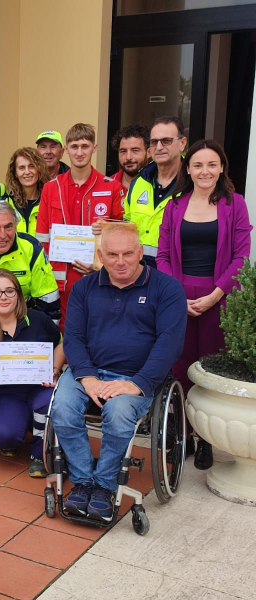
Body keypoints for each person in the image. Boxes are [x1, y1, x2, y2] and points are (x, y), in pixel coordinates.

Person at [52, 224, 186, 523]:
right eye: (112, 255)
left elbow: (170, 342)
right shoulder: (84, 288)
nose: (121, 261)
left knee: (120, 413)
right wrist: (87, 378)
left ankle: (104, 486)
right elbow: (73, 337)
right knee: (61, 407)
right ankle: (84, 480)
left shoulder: (167, 289)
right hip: (87, 371)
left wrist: (137, 383)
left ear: (141, 253)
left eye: (128, 253)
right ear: (100, 255)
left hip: (136, 375)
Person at [157, 139, 252, 470]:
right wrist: (176, 296)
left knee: (208, 370)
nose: (205, 171)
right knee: (180, 368)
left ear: (222, 167)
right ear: (188, 168)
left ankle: (206, 439)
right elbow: (165, 255)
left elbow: (241, 256)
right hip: (178, 298)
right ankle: (183, 435)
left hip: (218, 298)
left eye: (212, 164)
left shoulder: (234, 204)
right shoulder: (175, 205)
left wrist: (215, 294)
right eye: (198, 165)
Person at [0, 269, 64, 477]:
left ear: (18, 295)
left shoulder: (37, 319)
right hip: (4, 393)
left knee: (48, 404)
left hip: (39, 388)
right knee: (4, 435)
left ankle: (39, 453)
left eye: (9, 291)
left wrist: (54, 370)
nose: (4, 297)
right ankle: (18, 427)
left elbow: (61, 344)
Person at [36, 123, 126, 330]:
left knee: (97, 331)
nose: (79, 152)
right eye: (74, 146)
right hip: (59, 282)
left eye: (85, 146)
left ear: (94, 148)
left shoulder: (111, 187)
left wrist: (99, 264)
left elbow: (122, 237)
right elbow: (42, 238)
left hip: (99, 279)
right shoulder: (51, 188)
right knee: (63, 334)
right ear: (66, 149)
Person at [127, 116, 187, 266]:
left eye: (166, 141)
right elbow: (127, 226)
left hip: (176, 273)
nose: (159, 147)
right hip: (138, 274)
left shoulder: (193, 184)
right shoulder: (137, 183)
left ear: (182, 143)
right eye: (154, 142)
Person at [3, 147, 50, 236]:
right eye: (22, 168)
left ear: (39, 169)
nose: (27, 172)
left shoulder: (49, 202)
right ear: (15, 173)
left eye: (32, 166)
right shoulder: (6, 204)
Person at [110, 123, 149, 194]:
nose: (128, 157)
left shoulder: (158, 184)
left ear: (149, 152)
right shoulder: (108, 185)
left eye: (135, 150)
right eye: (123, 151)